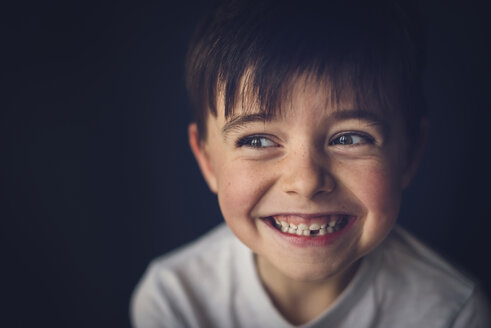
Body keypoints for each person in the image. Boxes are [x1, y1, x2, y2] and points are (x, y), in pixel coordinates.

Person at [131, 0, 490, 327]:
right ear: (208, 160)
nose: (305, 182)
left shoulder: (452, 312)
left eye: (349, 138)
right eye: (257, 140)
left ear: (410, 154)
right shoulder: (174, 301)